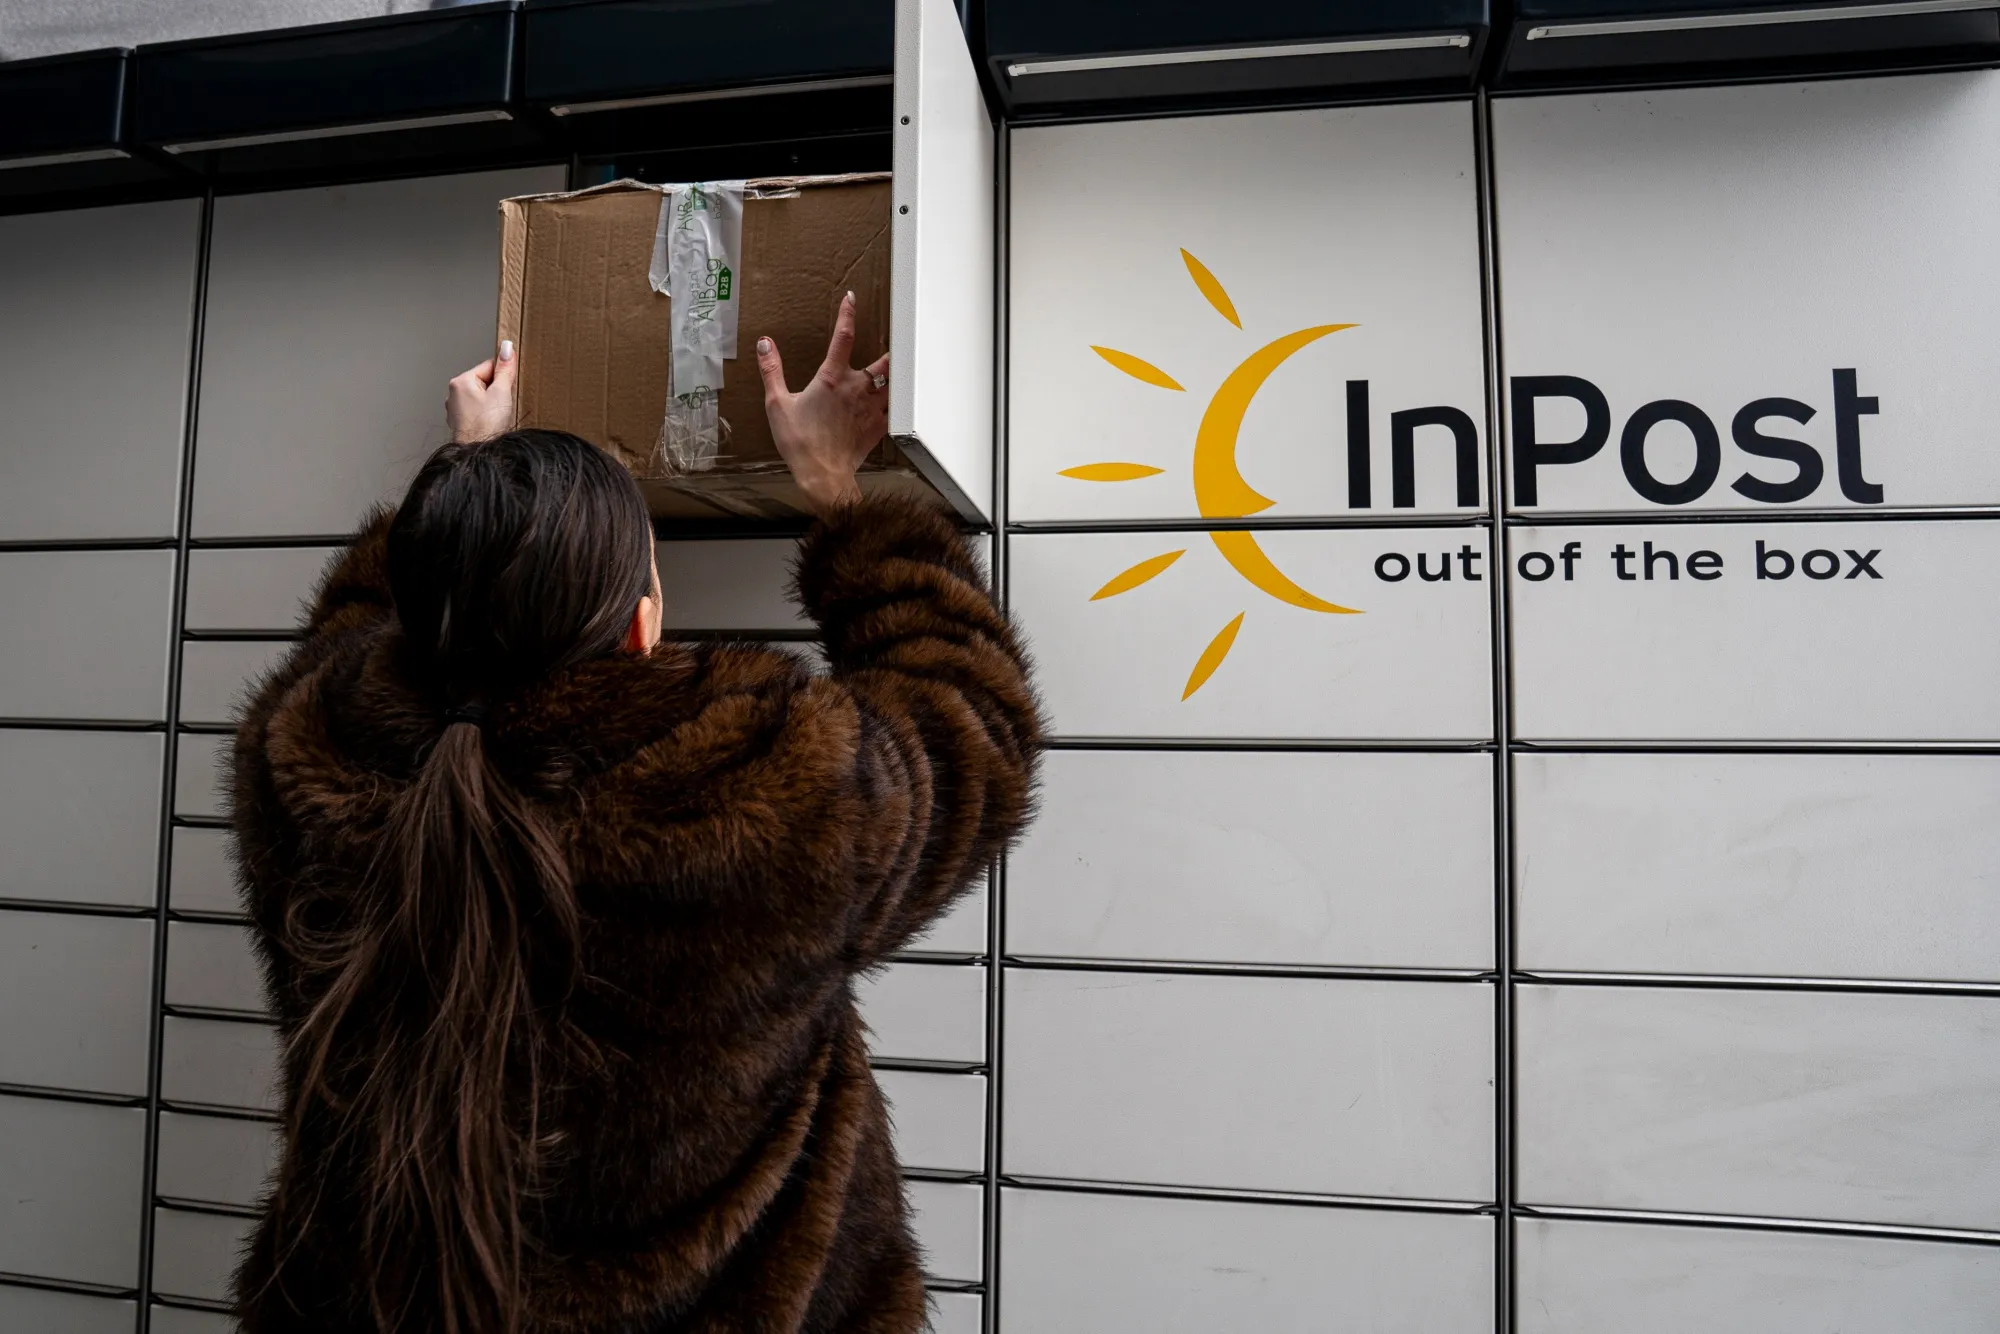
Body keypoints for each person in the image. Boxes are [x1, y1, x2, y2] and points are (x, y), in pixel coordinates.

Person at [228, 296, 1041, 1334]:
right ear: (642, 622)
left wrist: (476, 479)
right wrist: (839, 487)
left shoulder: (305, 771)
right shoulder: (758, 802)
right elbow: (971, 729)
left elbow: (349, 646)